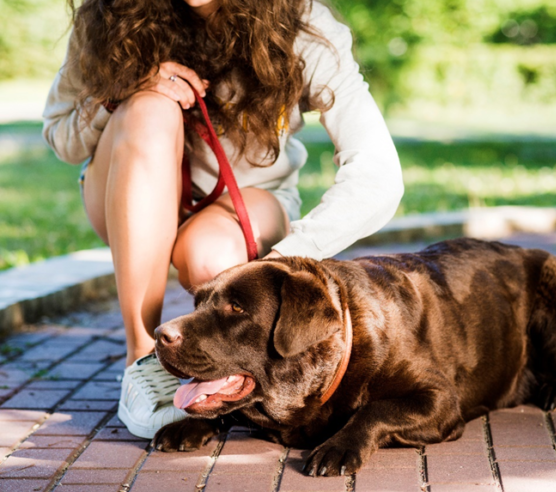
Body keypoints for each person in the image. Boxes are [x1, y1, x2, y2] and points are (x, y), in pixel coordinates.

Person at [42, 0, 403, 439]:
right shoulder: (111, 15)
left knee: (217, 265)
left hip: (246, 204)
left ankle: (230, 377)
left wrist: (283, 261)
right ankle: (143, 362)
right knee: (149, 109)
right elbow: (61, 135)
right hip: (123, 194)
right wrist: (122, 94)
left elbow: (378, 176)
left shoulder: (303, 24)